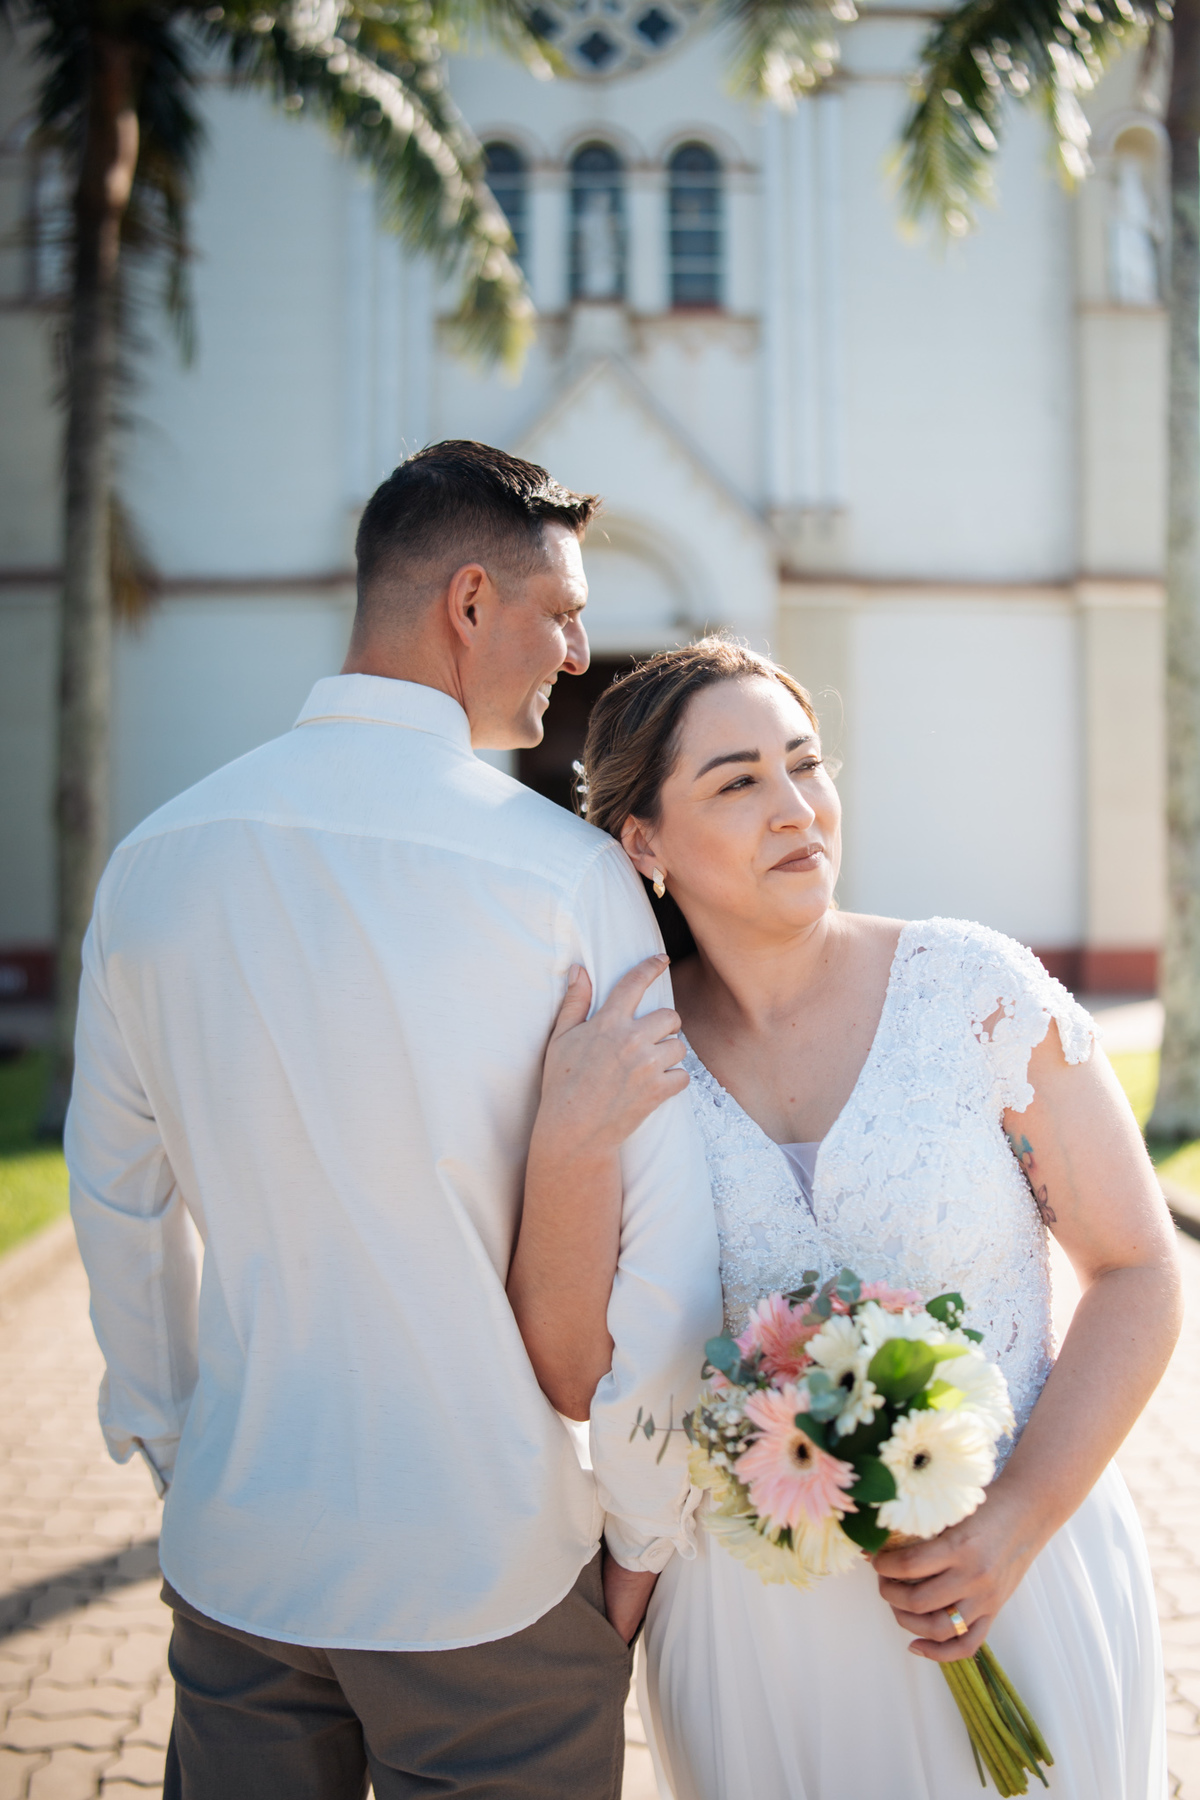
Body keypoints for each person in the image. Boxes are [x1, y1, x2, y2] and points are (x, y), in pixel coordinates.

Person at [64, 442, 722, 1799]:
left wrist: (193, 1459)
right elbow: (661, 1252)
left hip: (239, 1563)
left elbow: (117, 1205)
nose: (581, 646)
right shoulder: (568, 879)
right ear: (469, 603)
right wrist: (644, 1534)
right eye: (561, 611)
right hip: (487, 1574)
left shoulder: (156, 861)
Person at [512, 634, 1181, 1799]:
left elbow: (1136, 1269)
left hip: (1018, 1578)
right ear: (644, 842)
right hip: (756, 1634)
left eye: (805, 763)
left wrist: (1016, 1522)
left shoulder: (974, 993)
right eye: (737, 781)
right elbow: (573, 1367)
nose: (797, 808)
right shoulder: (628, 1053)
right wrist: (570, 1136)